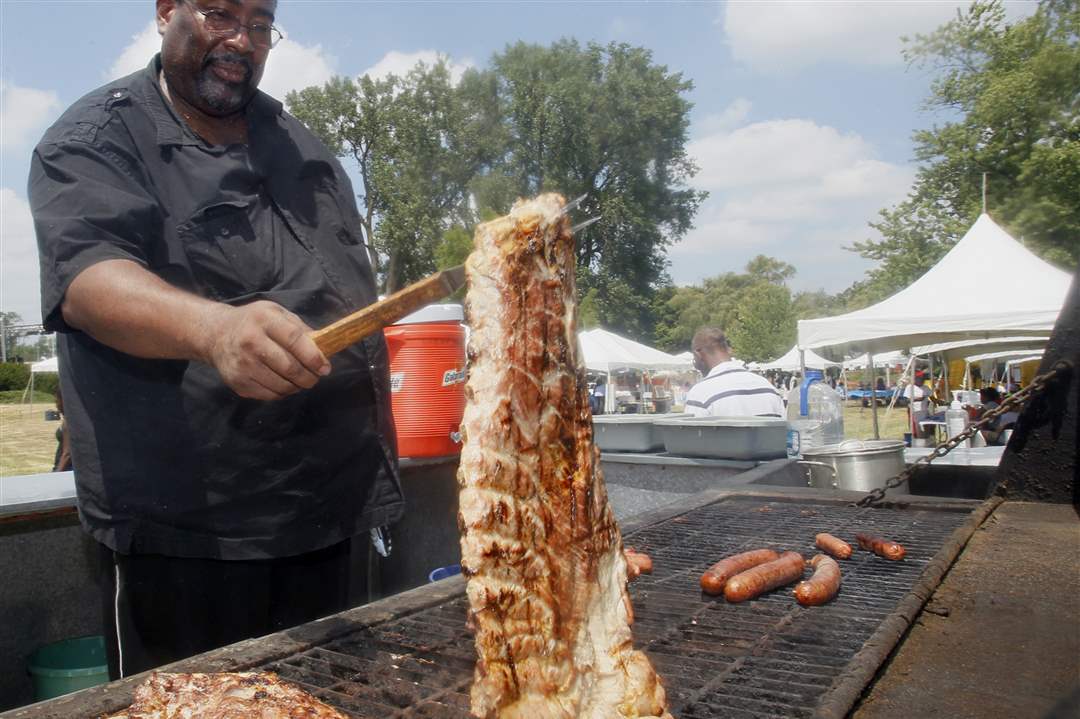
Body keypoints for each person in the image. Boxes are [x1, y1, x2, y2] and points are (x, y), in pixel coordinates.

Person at [29, 0, 404, 680]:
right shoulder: (93, 138)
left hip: (327, 517)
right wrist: (216, 328)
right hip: (187, 539)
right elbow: (87, 279)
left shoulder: (302, 146)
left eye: (259, 25)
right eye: (219, 15)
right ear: (167, 11)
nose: (241, 41)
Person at [685, 328, 784, 417]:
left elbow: (691, 436)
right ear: (729, 350)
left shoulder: (700, 392)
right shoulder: (768, 388)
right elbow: (783, 432)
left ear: (698, 355)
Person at [903, 371, 934, 439]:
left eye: (923, 379)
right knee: (916, 430)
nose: (922, 380)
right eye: (920, 378)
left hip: (924, 412)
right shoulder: (909, 387)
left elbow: (932, 398)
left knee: (928, 427)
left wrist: (941, 402)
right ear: (915, 378)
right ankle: (917, 440)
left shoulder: (926, 387)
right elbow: (905, 400)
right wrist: (917, 399)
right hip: (914, 412)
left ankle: (928, 439)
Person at [52, 387, 72, 472]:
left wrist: (56, 474)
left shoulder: (69, 421)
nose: (56, 405)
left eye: (57, 401)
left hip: (65, 470)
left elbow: (68, 453)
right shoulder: (68, 418)